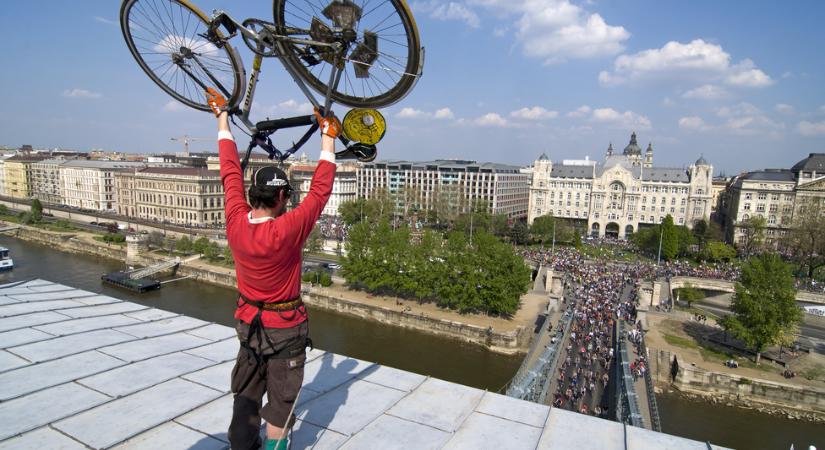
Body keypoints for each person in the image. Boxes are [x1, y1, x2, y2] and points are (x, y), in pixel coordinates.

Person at [206, 89, 340, 450]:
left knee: (245, 400)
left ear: (253, 195)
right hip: (285, 329)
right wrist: (329, 137)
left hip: (249, 326)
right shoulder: (286, 230)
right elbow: (321, 193)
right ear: (281, 198)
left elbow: (229, 171)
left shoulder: (236, 221)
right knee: (279, 411)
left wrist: (222, 116)